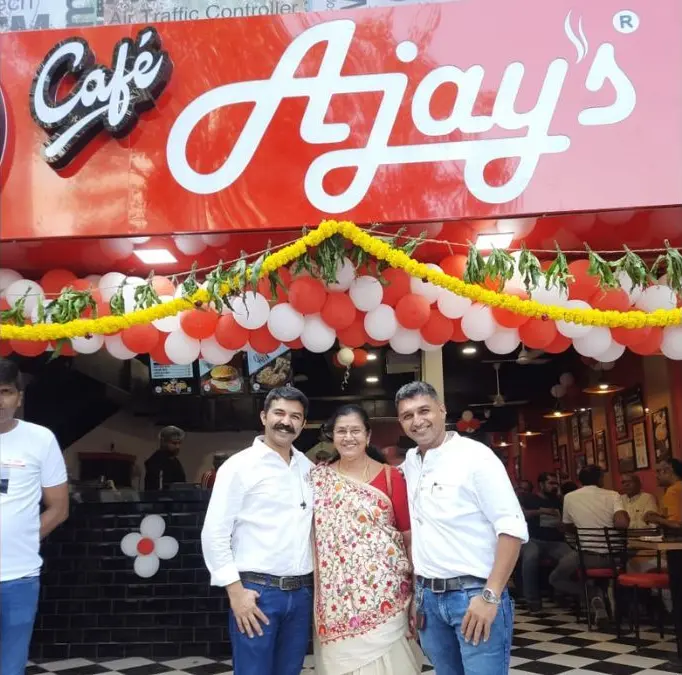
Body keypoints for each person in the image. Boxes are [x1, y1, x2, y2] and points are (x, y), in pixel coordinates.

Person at [397, 381, 528, 675]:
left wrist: (490, 596)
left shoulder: (476, 457)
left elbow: (512, 529)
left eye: (424, 410)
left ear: (442, 410)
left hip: (474, 595)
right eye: (407, 415)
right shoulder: (411, 461)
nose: (417, 421)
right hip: (428, 599)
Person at [201, 387, 314, 675]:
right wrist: (235, 593)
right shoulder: (239, 466)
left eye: (295, 416)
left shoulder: (308, 468)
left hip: (301, 594)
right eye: (279, 413)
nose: (286, 421)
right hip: (257, 593)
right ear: (264, 416)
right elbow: (214, 533)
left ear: (302, 423)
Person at [312, 404, 420, 675]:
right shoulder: (318, 479)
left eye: (355, 430)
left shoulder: (391, 477)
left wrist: (418, 592)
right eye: (341, 431)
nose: (348, 437)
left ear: (368, 436)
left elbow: (408, 538)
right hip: (337, 598)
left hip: (387, 592)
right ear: (332, 436)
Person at [0, 358, 69, 675]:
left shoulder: (40, 439)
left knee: (11, 666)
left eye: (5, 392)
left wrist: (25, 539)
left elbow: (58, 507)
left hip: (20, 577)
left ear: (19, 397)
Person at [550, 465, 629, 623]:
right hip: (614, 558)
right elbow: (621, 523)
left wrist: (583, 527)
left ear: (580, 480)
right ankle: (609, 597)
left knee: (555, 579)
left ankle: (593, 594)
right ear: (600, 479)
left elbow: (566, 526)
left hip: (583, 557)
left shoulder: (570, 497)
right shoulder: (613, 495)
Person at [519, 472, 573, 612]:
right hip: (533, 539)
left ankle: (561, 593)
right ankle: (532, 599)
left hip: (555, 541)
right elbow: (521, 514)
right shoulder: (529, 498)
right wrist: (540, 512)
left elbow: (567, 521)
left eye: (556, 483)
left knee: (572, 557)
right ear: (541, 485)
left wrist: (563, 526)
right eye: (551, 483)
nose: (554, 486)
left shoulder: (559, 500)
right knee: (531, 557)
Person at [144, 426, 186, 490]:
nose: (177, 447)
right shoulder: (156, 462)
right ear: (163, 442)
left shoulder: (176, 462)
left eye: (179, 443)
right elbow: (158, 490)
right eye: (174, 443)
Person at [645, 457, 682, 530]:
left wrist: (656, 519)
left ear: (670, 470)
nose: (656, 476)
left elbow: (677, 525)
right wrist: (659, 517)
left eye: (659, 471)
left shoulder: (673, 491)